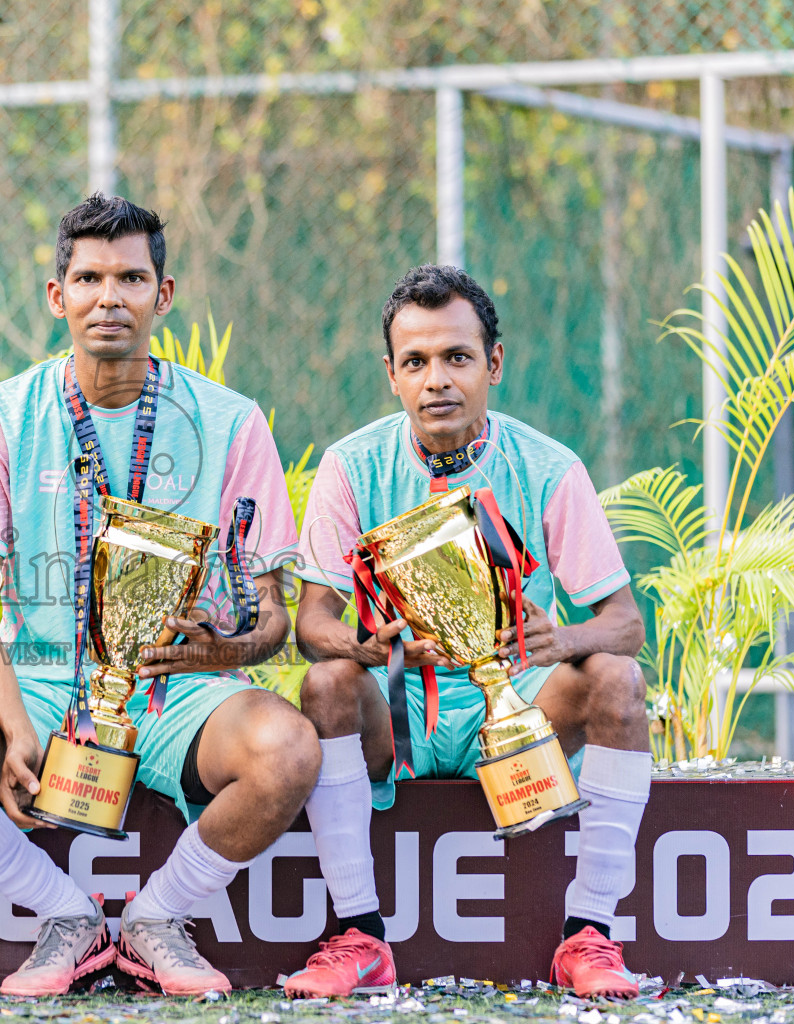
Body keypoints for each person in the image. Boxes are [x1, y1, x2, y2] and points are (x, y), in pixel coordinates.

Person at [0, 194, 320, 996]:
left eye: (130, 277)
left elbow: (273, 612)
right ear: (58, 296)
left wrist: (223, 645)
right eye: (87, 278)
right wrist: (13, 723)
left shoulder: (231, 420)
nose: (108, 296)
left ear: (165, 294)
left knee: (287, 750)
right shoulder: (1, 415)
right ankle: (67, 918)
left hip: (179, 686)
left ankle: (156, 921)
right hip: (45, 680)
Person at [284, 266, 649, 999]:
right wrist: (371, 647)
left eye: (457, 358)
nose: (437, 380)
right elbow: (311, 623)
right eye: (415, 362)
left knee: (617, 679)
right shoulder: (352, 466)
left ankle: (591, 937)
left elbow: (624, 624)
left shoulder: (548, 468)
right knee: (325, 683)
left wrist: (563, 641)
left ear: (495, 364)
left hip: (518, 699)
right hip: (400, 710)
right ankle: (360, 936)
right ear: (391, 375)